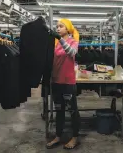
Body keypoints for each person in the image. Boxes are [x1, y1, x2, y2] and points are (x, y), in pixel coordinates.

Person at [46, 18, 81, 150]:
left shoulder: (73, 42)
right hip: (56, 81)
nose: (58, 28)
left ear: (67, 28)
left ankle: (75, 137)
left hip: (67, 82)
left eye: (61, 26)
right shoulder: (55, 44)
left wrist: (60, 39)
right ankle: (58, 135)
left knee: (72, 110)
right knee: (59, 110)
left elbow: (72, 53)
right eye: (57, 26)